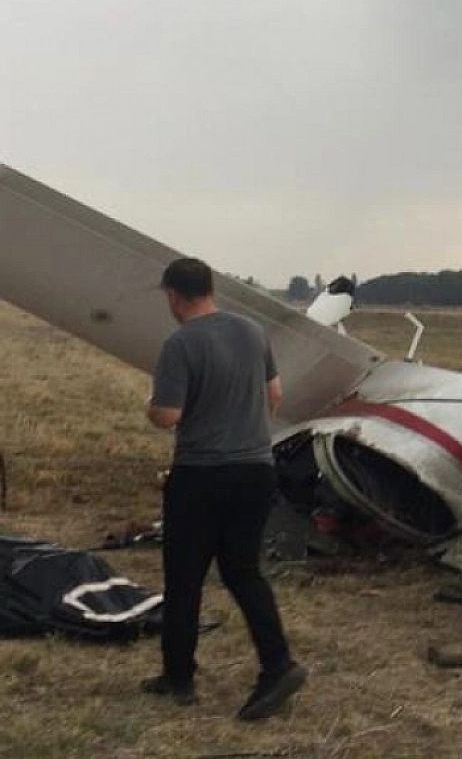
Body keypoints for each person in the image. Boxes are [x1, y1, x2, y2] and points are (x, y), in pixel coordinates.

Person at [144, 256, 306, 721]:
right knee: (243, 572)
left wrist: (152, 408)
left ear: (174, 295)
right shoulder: (253, 332)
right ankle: (277, 664)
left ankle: (179, 678)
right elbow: (275, 394)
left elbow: (168, 415)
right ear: (211, 290)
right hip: (256, 471)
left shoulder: (180, 343)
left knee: (184, 577)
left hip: (201, 475)